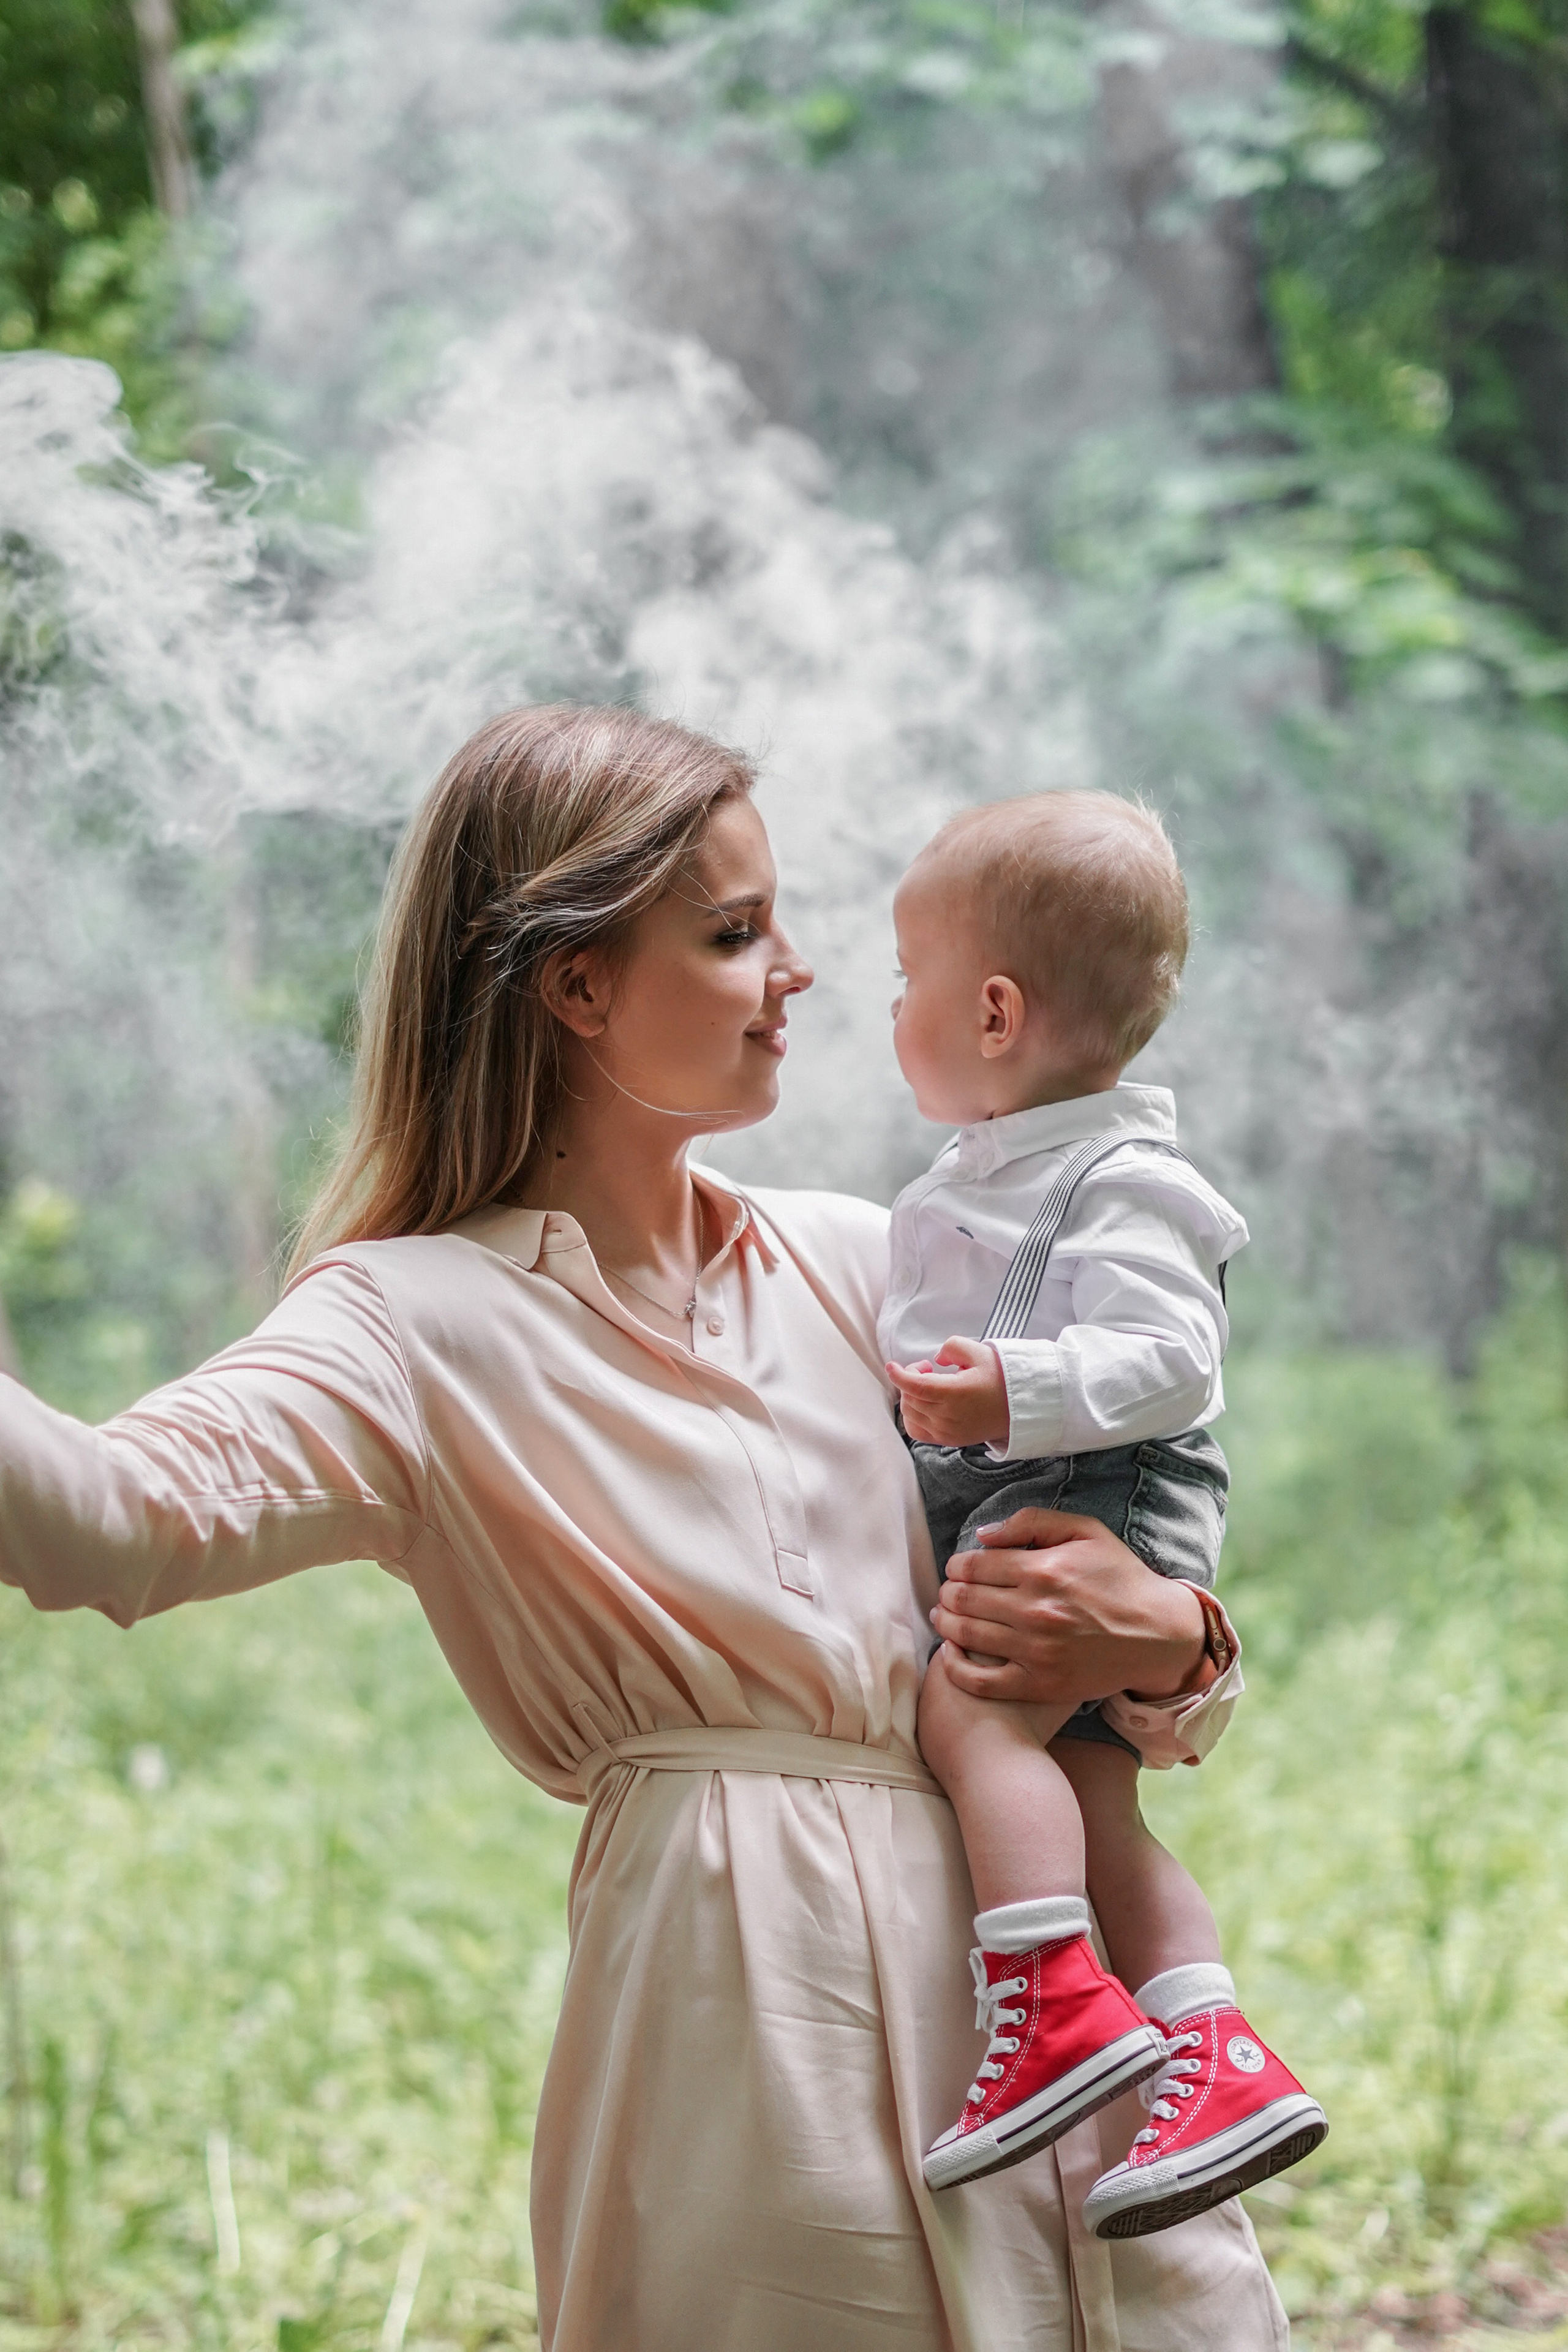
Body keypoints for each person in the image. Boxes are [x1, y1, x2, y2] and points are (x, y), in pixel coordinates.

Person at [0, 707, 1289, 2351]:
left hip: (1074, 2046)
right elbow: (111, 1525)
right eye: (737, 931)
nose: (801, 972)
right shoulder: (413, 1325)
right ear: (580, 985)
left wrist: (1178, 1639)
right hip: (751, 2049)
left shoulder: (871, 1262)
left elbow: (1138, 1574)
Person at [883, 792, 1326, 2237]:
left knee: (972, 1711)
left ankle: (1048, 1990)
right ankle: (1214, 2048)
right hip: (1068, 1484)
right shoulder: (1005, 1168)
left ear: (995, 1013)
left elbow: (1173, 1357)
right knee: (1085, 1795)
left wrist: (1008, 1386)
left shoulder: (1118, 1178)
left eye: (908, 984)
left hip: (1098, 1491)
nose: (891, 1011)